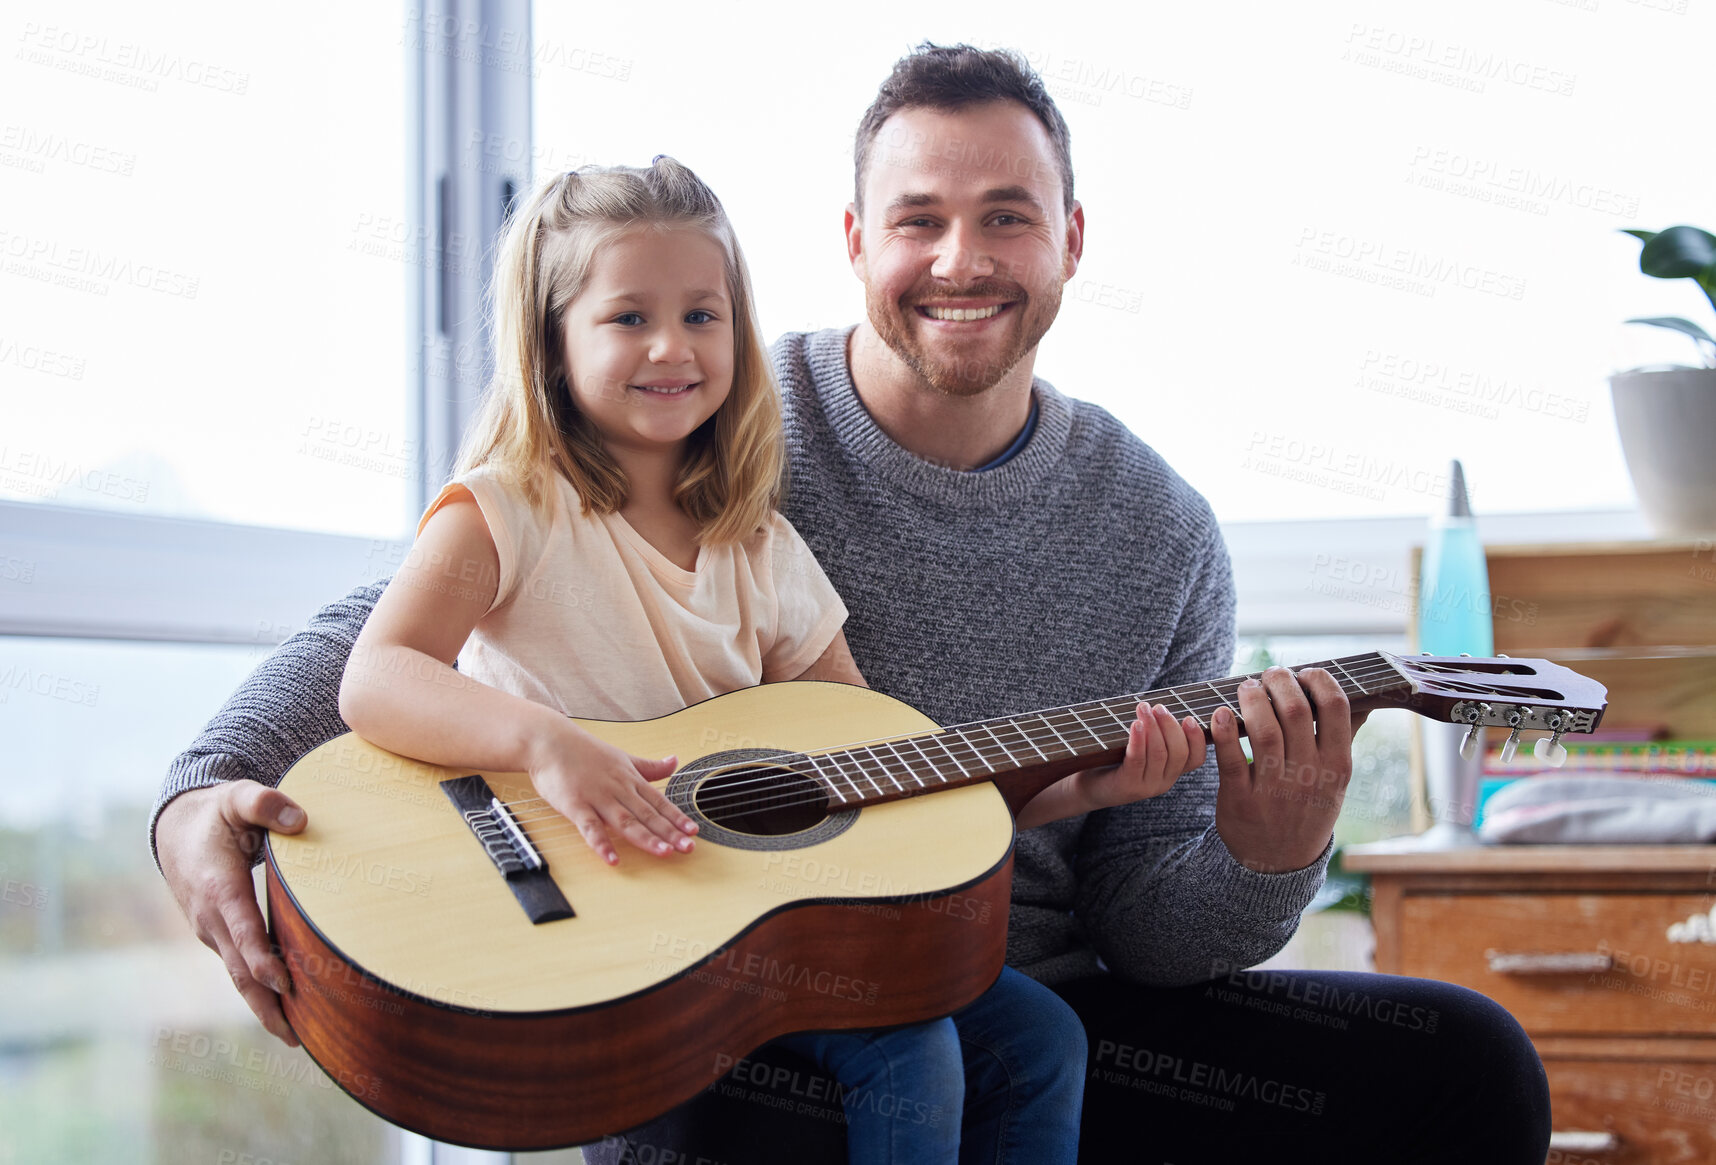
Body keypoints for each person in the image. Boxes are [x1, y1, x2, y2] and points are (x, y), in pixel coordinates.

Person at [153, 44, 1552, 1165]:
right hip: (733, 999)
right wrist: (200, 791)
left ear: (1070, 239)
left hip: (1030, 1002)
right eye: (918, 220)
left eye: (1007, 216)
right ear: (852, 240)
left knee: (1466, 1068)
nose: (962, 260)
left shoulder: (1161, 530)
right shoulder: (712, 415)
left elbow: (1151, 938)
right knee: (771, 1107)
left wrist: (1274, 845)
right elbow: (405, 617)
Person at [333, 154, 1197, 1164]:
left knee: (1042, 1034)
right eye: (627, 317)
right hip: (592, 915)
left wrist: (1074, 789)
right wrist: (545, 743)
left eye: (704, 316)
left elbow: (880, 773)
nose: (673, 346)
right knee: (911, 1047)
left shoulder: (759, 543)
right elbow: (376, 675)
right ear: (551, 338)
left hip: (746, 915)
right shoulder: (507, 509)